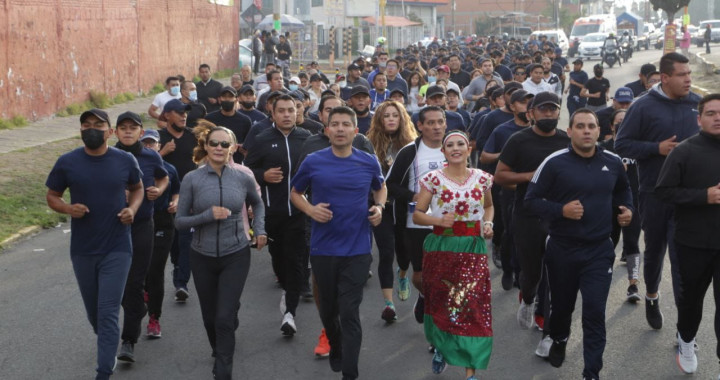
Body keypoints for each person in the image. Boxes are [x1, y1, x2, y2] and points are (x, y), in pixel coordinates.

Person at [525, 108, 633, 380]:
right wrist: (561, 211)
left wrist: (627, 209)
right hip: (562, 248)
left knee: (595, 312)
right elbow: (530, 202)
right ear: (570, 131)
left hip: (599, 249)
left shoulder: (612, 161)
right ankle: (559, 338)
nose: (586, 131)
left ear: (600, 131)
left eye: (591, 126)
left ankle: (591, 373)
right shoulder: (554, 162)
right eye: (580, 126)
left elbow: (623, 188)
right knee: (562, 308)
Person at [46, 109, 143, 380]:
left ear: (109, 131)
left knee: (108, 311)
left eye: (98, 125)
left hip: (117, 247)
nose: (92, 129)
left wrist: (132, 209)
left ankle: (103, 371)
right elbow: (52, 195)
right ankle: (108, 343)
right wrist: (67, 208)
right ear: (80, 131)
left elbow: (137, 189)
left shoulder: (125, 160)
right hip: (83, 249)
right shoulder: (67, 162)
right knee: (95, 315)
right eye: (86, 125)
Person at [290, 106, 386, 380]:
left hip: (357, 248)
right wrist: (310, 210)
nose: (341, 129)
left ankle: (349, 373)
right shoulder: (312, 161)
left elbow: (380, 187)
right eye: (336, 124)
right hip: (323, 248)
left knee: (349, 312)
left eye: (347, 124)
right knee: (329, 310)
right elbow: (295, 193)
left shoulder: (368, 160)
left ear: (355, 131)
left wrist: (379, 208)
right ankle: (334, 342)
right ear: (327, 129)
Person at [615, 52, 702, 329]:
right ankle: (651, 295)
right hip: (654, 193)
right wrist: (656, 149)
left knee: (683, 258)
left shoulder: (697, 105)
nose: (688, 79)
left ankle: (684, 329)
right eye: (682, 75)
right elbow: (622, 145)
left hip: (689, 197)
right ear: (665, 78)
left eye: (689, 74)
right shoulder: (643, 107)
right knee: (655, 251)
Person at [174, 125, 266, 380]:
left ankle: (224, 370)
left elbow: (257, 204)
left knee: (225, 317)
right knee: (210, 317)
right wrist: (206, 215)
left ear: (233, 148)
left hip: (235, 253)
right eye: (214, 143)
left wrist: (259, 230)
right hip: (201, 255)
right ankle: (219, 349)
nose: (219, 148)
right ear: (206, 146)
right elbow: (180, 221)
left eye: (225, 144)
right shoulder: (193, 179)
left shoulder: (243, 176)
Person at [412, 130, 495, 380]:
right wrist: (438, 220)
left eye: (461, 144)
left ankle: (470, 371)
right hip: (442, 246)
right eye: (451, 145)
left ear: (469, 149)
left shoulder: (482, 178)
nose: (456, 148)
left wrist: (488, 224)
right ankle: (441, 346)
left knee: (473, 304)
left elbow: (489, 206)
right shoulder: (433, 179)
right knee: (442, 302)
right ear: (444, 152)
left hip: (472, 246)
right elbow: (418, 214)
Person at [494, 92, 570, 353]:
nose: (548, 114)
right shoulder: (519, 140)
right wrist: (533, 176)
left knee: (555, 273)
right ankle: (527, 298)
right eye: (543, 110)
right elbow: (500, 176)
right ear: (532, 113)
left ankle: (548, 329)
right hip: (526, 215)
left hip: (559, 216)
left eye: (553, 110)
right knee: (532, 273)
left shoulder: (566, 140)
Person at [655, 93, 720, 375]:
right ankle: (686, 339)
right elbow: (663, 192)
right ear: (699, 119)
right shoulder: (684, 151)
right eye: (711, 113)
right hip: (693, 243)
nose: (718, 117)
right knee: (691, 302)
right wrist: (702, 196)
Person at [244, 94, 311, 337]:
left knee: (295, 260)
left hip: (299, 212)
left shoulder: (306, 139)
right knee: (279, 259)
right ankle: (286, 286)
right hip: (271, 212)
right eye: (280, 110)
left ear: (297, 112)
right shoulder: (262, 139)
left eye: (290, 110)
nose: (286, 114)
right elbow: (245, 170)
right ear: (272, 114)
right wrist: (263, 175)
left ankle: (289, 313)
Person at [113, 112, 169, 364]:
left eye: (132, 128)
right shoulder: (107, 157)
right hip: (112, 228)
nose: (127, 132)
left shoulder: (150, 155)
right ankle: (138, 309)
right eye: (122, 128)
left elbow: (164, 176)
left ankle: (128, 340)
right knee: (119, 284)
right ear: (115, 132)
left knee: (135, 281)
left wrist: (159, 190)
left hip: (143, 225)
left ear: (139, 132)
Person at [386, 106, 447, 325]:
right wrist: (415, 196)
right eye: (430, 123)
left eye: (440, 121)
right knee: (421, 276)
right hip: (416, 223)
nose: (437, 127)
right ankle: (424, 295)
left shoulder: (453, 148)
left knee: (445, 275)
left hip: (448, 222)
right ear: (420, 126)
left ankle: (437, 318)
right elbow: (390, 184)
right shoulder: (410, 152)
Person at [366, 100, 418, 321]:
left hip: (404, 206)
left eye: (395, 115)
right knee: (386, 252)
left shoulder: (413, 145)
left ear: (402, 119)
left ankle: (403, 273)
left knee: (404, 252)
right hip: (381, 207)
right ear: (379, 119)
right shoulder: (369, 144)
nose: (390, 119)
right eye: (386, 115)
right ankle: (389, 303)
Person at [480, 89, 534, 290]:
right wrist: (503, 155)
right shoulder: (502, 130)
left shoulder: (539, 130)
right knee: (510, 230)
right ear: (512, 107)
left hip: (535, 191)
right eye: (523, 103)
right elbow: (484, 156)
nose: (527, 108)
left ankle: (523, 271)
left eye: (531, 103)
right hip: (509, 189)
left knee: (530, 234)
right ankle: (509, 270)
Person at [598, 109, 642, 302]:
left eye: (627, 121)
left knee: (632, 243)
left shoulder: (637, 148)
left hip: (632, 204)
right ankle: (600, 280)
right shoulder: (602, 148)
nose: (623, 123)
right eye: (619, 121)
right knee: (609, 244)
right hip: (607, 206)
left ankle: (633, 285)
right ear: (611, 125)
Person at [141, 129, 180, 340]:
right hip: (138, 223)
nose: (149, 147)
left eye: (152, 143)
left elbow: (176, 190)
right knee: (140, 269)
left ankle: (154, 319)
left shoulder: (169, 169)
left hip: (163, 221)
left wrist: (175, 202)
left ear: (159, 145)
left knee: (156, 269)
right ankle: (144, 292)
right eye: (145, 143)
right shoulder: (134, 166)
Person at [158, 99, 199, 302]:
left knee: (186, 242)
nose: (184, 116)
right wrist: (162, 153)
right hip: (164, 198)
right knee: (173, 243)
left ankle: (181, 283)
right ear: (167, 115)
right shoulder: (158, 137)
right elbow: (144, 163)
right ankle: (177, 267)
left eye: (185, 112)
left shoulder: (193, 136)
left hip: (190, 196)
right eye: (179, 112)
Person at [204, 86, 253, 163]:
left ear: (236, 99)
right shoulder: (209, 119)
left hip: (236, 163)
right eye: (224, 97)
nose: (227, 99)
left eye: (230, 97)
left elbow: (249, 143)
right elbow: (203, 140)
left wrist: (242, 147)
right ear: (219, 100)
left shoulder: (245, 120)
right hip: (213, 162)